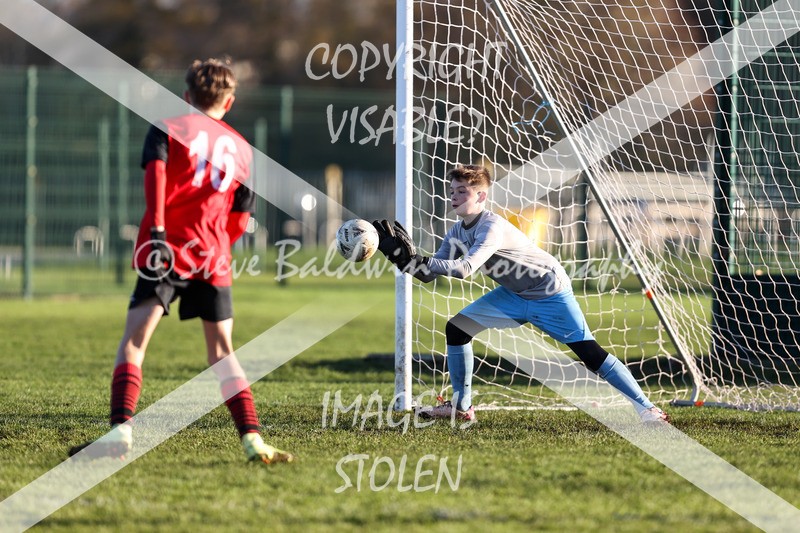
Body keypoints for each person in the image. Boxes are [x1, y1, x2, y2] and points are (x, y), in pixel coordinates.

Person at [69, 58, 294, 464]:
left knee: (135, 343)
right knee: (223, 351)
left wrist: (156, 230)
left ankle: (120, 433)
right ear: (229, 103)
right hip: (213, 255)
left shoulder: (169, 127)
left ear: (188, 96)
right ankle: (253, 440)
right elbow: (241, 217)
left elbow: (155, 175)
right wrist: (219, 247)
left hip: (166, 248)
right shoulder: (242, 149)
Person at [373, 164, 669, 424]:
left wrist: (420, 258)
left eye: (463, 191)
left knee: (590, 355)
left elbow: (464, 269)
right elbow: (427, 275)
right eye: (452, 191)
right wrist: (402, 259)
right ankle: (461, 408)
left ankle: (648, 410)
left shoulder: (492, 227)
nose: (454, 197)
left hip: (549, 292)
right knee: (458, 328)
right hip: (513, 296)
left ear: (481, 196)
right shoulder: (456, 231)